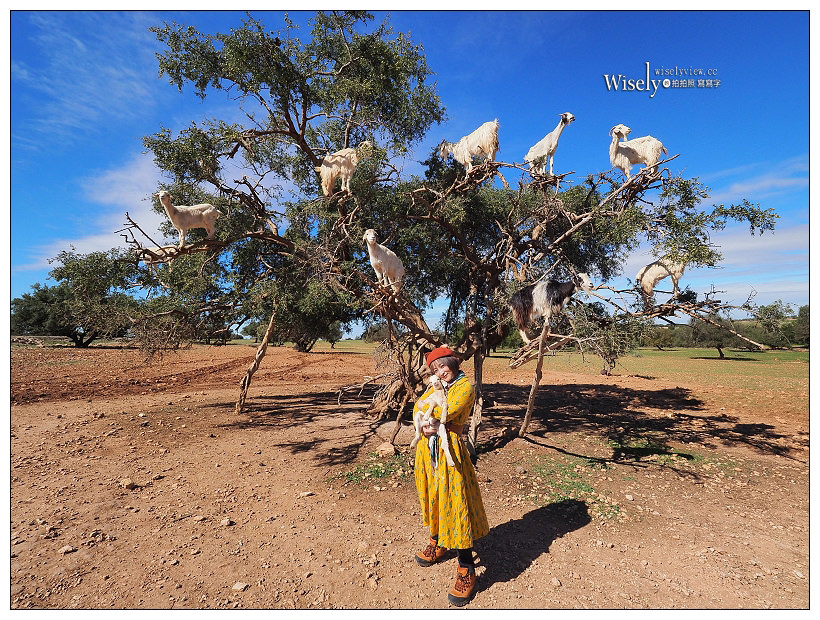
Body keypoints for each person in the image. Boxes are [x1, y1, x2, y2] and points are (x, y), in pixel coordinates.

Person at [413, 346, 489, 606]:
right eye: (434, 370)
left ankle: (467, 568)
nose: (439, 372)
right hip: (428, 451)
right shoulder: (437, 386)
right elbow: (417, 407)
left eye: (442, 366)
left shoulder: (464, 387)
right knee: (433, 496)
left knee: (455, 503)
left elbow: (445, 412)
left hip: (451, 453)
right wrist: (423, 414)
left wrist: (426, 411)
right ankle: (439, 541)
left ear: (453, 363)